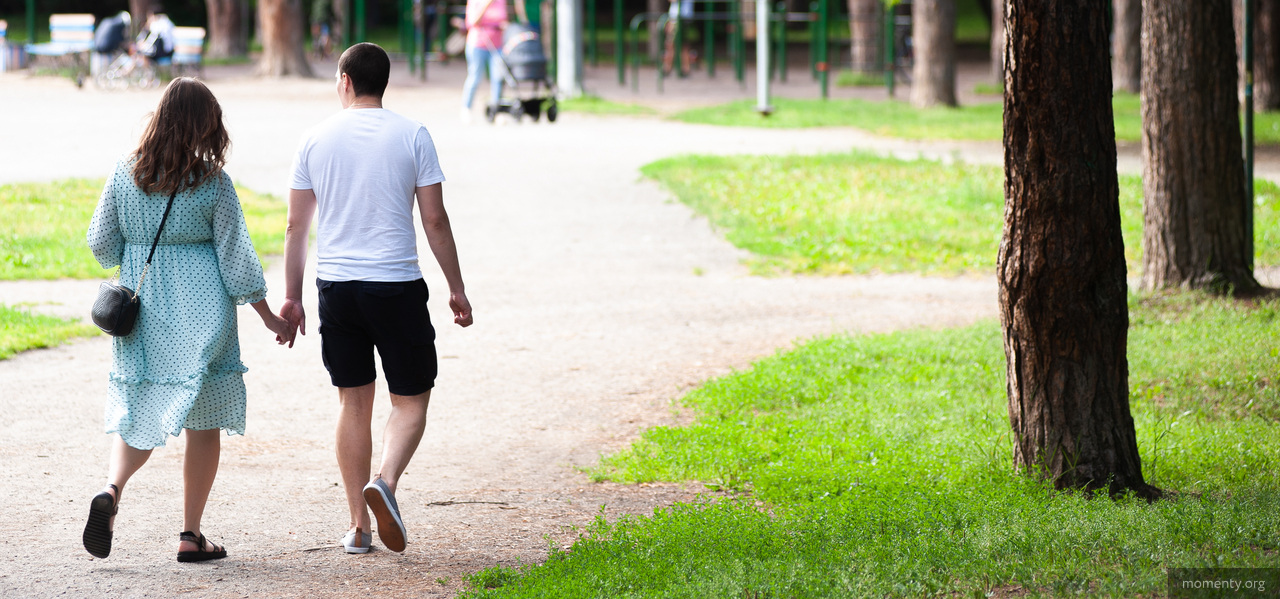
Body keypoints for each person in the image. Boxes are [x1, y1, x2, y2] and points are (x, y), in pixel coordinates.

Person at [83, 78, 293, 562]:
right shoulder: (213, 183)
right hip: (204, 315)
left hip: (146, 312)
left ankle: (112, 491)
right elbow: (237, 259)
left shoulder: (124, 172)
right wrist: (268, 317)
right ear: (206, 125)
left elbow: (100, 243)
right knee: (204, 424)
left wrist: (132, 252)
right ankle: (190, 534)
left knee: (140, 410)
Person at [281, 42, 473, 555]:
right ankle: (385, 483)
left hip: (337, 288)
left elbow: (296, 226)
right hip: (396, 286)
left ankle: (358, 528)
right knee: (410, 401)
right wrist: (456, 288)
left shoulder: (315, 138)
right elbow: (434, 219)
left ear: (344, 80)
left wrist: (292, 297)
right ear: (382, 82)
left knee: (353, 401)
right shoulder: (413, 134)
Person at [457, 0, 509, 122]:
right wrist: (485, 5)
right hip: (477, 44)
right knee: (475, 77)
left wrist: (504, 25)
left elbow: (503, 19)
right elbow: (471, 22)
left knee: (497, 78)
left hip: (497, 45)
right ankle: (466, 108)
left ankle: (496, 111)